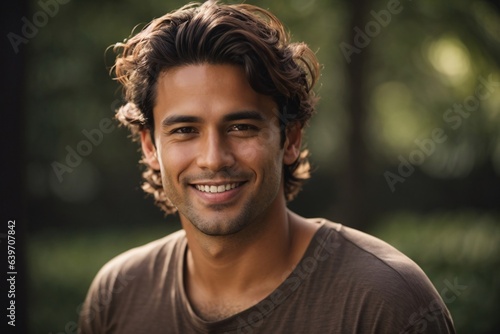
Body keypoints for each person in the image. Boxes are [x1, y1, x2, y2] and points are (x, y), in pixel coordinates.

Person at [78, 1, 455, 333]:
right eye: (185, 130)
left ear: (290, 138)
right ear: (149, 146)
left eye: (241, 127)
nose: (213, 157)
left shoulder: (385, 304)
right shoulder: (117, 295)